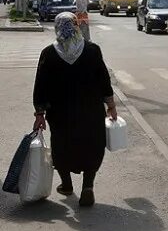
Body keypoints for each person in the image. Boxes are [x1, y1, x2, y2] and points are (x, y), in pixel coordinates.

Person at [32, 13, 117, 207]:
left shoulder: (49, 54)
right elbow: (104, 81)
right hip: (91, 112)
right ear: (76, 26)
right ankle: (88, 186)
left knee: (62, 147)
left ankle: (67, 185)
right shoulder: (92, 50)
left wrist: (39, 114)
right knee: (92, 146)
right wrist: (111, 106)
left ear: (57, 28)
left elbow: (41, 86)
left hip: (61, 114)